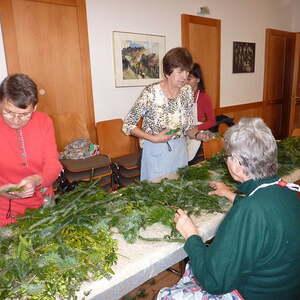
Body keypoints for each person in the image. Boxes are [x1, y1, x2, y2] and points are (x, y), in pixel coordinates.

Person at [157, 117, 300, 300]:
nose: (227, 161)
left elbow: (215, 282)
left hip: (255, 294)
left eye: (227, 157)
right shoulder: (285, 190)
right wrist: (230, 194)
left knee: (168, 296)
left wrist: (191, 235)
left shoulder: (250, 210)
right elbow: (266, 214)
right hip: (288, 290)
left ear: (238, 164)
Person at [123, 47, 211, 181]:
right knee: (156, 195)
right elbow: (128, 124)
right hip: (156, 152)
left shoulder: (186, 92)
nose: (185, 76)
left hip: (180, 152)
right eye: (180, 71)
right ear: (168, 72)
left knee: (178, 193)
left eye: (187, 71)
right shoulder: (151, 93)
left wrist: (199, 135)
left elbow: (187, 127)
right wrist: (153, 138)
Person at [0, 74, 62, 226]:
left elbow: (53, 163)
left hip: (43, 202)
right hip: (5, 209)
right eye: (8, 112)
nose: (15, 120)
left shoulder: (43, 121)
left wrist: (37, 180)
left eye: (24, 115)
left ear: (35, 107)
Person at [186, 63, 216, 163]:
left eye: (189, 78)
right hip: (183, 132)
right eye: (185, 78)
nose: (186, 81)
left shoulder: (204, 97)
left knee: (189, 162)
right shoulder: (182, 95)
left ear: (198, 80)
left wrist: (197, 128)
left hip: (196, 133)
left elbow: (212, 121)